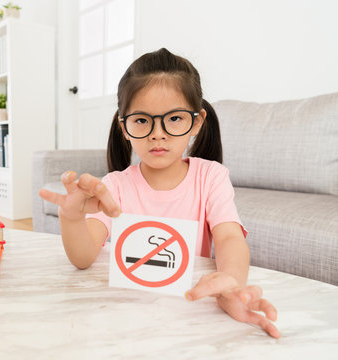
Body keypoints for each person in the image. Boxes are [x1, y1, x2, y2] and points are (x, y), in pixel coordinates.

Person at [39, 48, 281, 339]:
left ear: (197, 121)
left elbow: (229, 236)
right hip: (125, 315)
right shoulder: (115, 185)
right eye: (142, 120)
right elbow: (83, 258)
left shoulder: (211, 177)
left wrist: (231, 281)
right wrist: (72, 217)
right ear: (123, 127)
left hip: (188, 311)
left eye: (174, 119)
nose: (158, 134)